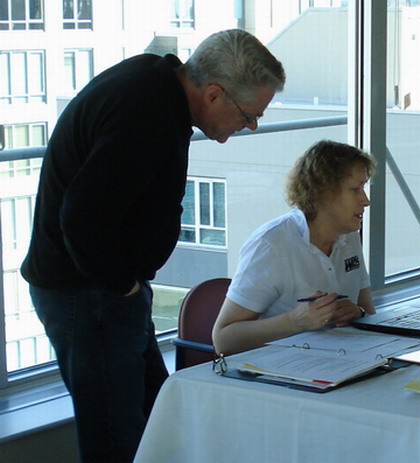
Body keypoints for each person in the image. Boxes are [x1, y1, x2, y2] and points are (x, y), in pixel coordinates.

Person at [20, 29, 285, 463]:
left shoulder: (154, 83)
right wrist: (122, 285)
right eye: (248, 114)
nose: (250, 125)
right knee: (117, 440)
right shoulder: (147, 110)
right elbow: (81, 215)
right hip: (88, 294)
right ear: (214, 93)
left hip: (101, 291)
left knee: (153, 427)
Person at [212, 140, 376, 355]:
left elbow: (369, 313)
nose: (366, 201)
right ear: (323, 193)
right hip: (278, 372)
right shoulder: (271, 245)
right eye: (355, 189)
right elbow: (223, 340)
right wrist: (294, 322)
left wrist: (358, 312)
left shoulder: (349, 236)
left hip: (339, 361)